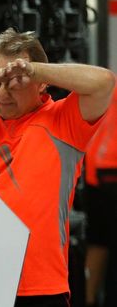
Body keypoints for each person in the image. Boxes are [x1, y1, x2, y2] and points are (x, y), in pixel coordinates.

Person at [0, 28, 115, 307]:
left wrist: (36, 69)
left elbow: (104, 82)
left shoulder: (63, 121)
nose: (2, 93)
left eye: (15, 82)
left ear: (40, 83)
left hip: (40, 290)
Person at [84, 77, 117, 307]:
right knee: (102, 242)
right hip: (108, 171)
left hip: (97, 169)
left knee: (99, 242)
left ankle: (89, 299)